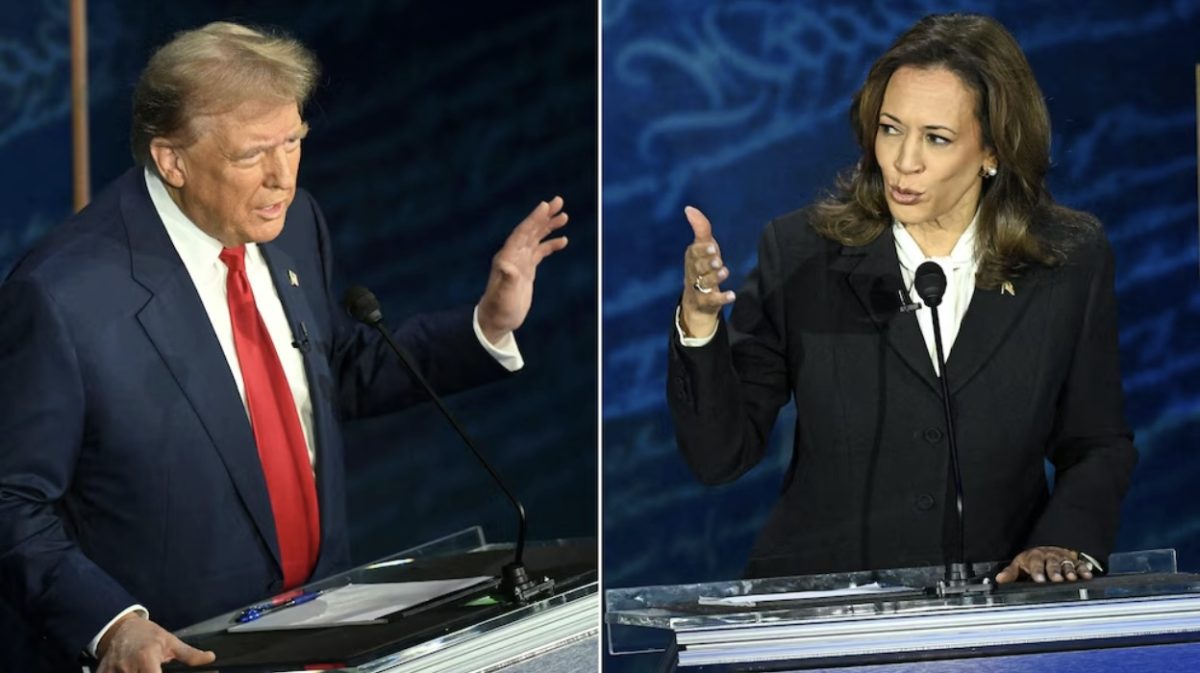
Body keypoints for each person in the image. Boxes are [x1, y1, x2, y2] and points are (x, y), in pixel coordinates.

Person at [0, 22, 569, 672]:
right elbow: (11, 500)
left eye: (293, 143)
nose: (281, 178)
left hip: (322, 638)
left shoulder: (294, 224)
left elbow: (327, 370)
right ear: (171, 159)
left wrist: (487, 322)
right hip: (181, 653)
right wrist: (112, 625)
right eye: (251, 155)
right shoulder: (62, 295)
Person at [668, 14, 1136, 584]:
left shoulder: (1067, 257)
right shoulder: (802, 253)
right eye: (891, 129)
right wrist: (699, 324)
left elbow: (1096, 441)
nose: (904, 161)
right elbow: (721, 456)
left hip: (996, 605)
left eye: (936, 138)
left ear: (993, 150)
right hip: (827, 610)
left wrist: (1064, 543)